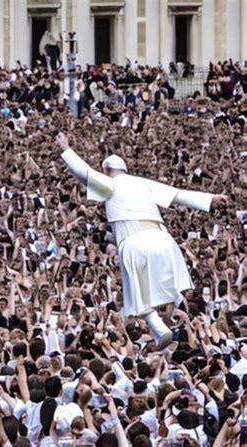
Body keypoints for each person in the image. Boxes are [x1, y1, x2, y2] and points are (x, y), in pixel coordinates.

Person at [57, 131, 229, 349]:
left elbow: (85, 174)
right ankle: (179, 309)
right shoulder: (144, 183)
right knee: (168, 282)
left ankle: (158, 327)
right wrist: (210, 200)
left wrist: (66, 149)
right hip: (163, 239)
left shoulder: (112, 183)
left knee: (137, 290)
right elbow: (178, 195)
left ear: (107, 171)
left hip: (133, 242)